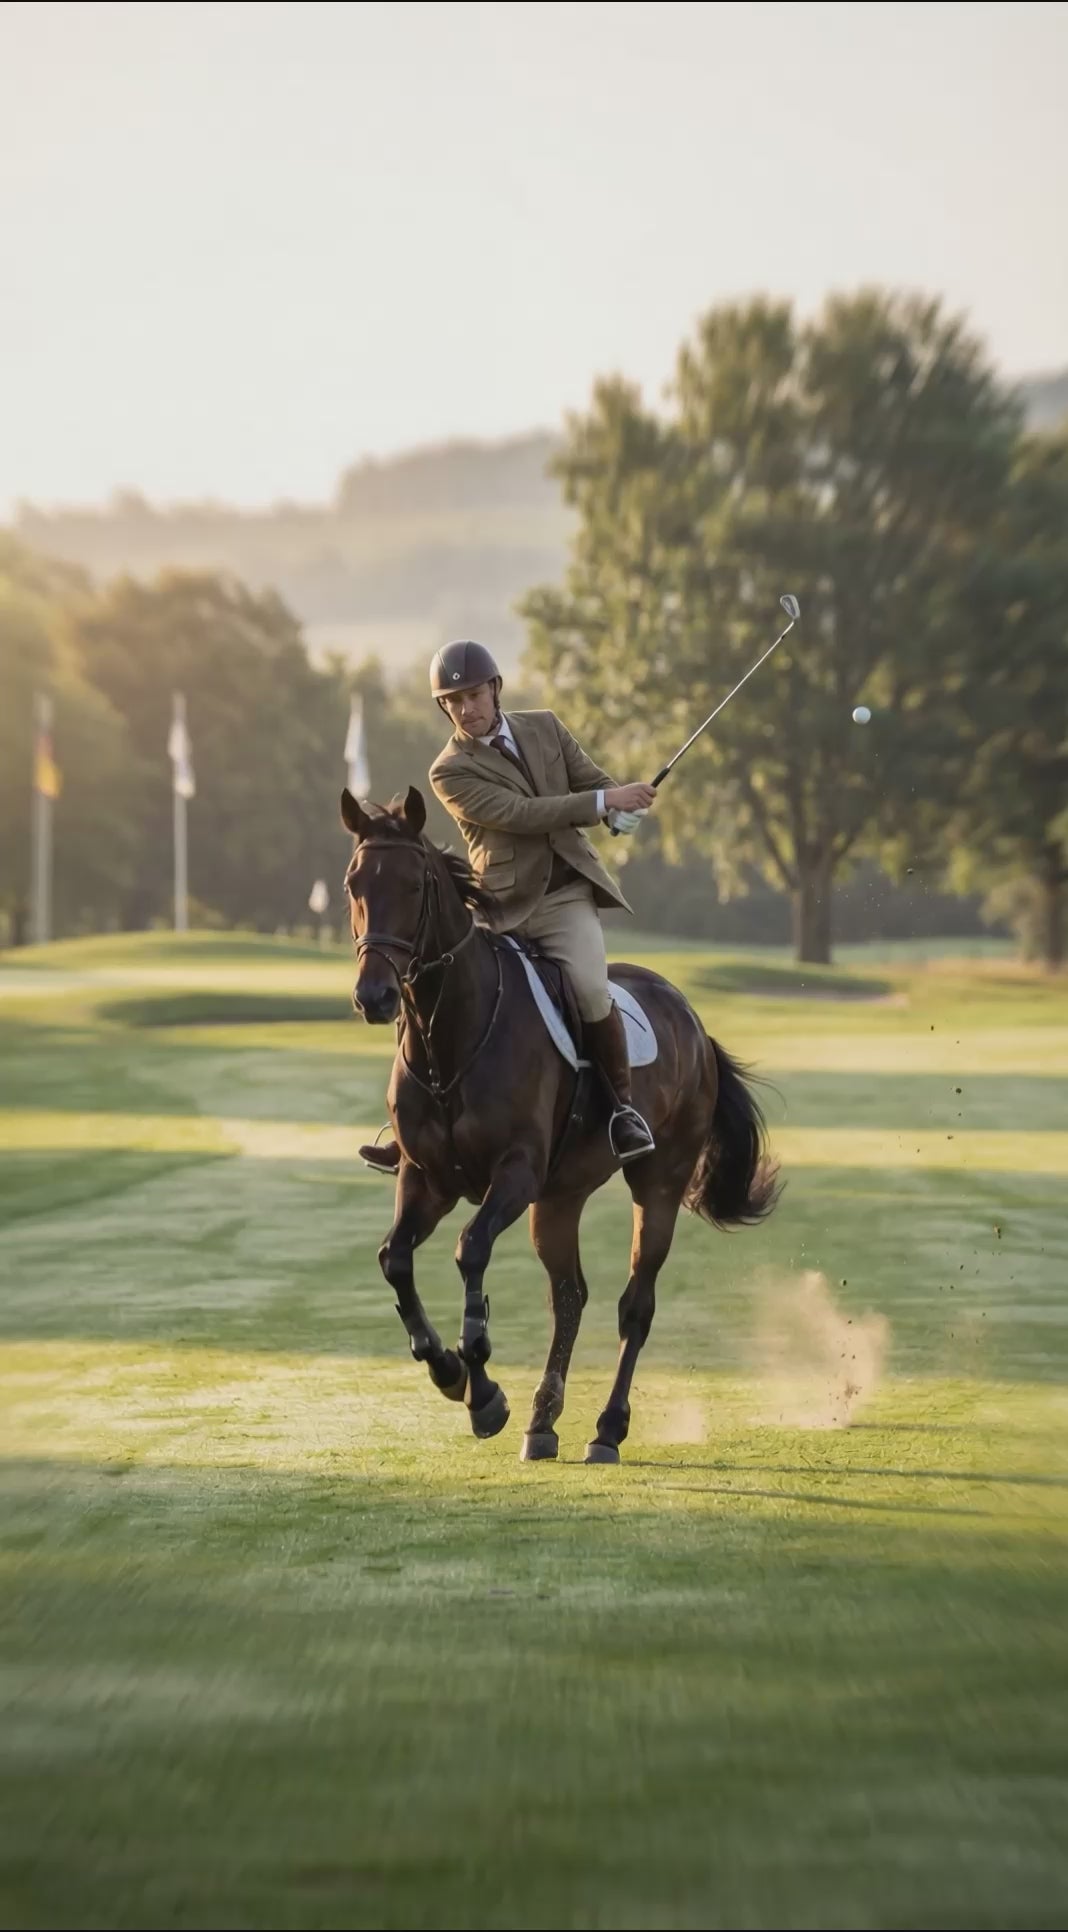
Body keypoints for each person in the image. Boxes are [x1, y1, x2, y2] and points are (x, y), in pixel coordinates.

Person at [360, 638, 657, 1170]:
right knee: (430, 988)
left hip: (563, 898)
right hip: (498, 905)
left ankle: (621, 1109)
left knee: (591, 989)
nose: (467, 708)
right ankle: (406, 1126)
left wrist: (619, 809)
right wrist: (602, 803)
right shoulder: (448, 770)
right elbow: (518, 813)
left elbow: (592, 781)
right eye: (454, 701)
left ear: (496, 689)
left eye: (474, 695)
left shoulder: (545, 727)